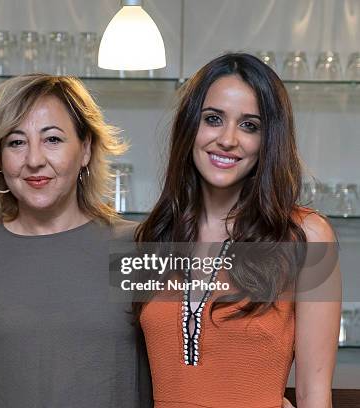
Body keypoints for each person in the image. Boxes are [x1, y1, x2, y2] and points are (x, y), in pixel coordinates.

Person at [135, 53, 341, 407]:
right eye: (213, 119)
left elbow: (314, 392)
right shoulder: (154, 236)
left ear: (268, 141)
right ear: (190, 127)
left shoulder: (306, 236)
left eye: (250, 126)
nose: (228, 139)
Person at [0, 73, 152, 407]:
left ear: (86, 149)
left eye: (53, 140)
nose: (33, 160)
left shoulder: (135, 247)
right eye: (16, 142)